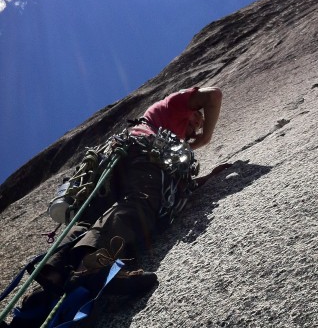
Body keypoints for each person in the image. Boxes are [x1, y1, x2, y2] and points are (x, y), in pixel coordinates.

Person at [35, 86, 223, 297]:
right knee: (142, 201)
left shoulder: (171, 136)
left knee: (93, 219)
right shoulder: (173, 105)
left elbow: (176, 190)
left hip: (119, 163)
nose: (197, 125)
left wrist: (208, 177)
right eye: (197, 116)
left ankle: (53, 275)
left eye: (198, 128)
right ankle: (95, 269)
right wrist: (205, 138)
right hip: (141, 154)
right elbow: (213, 95)